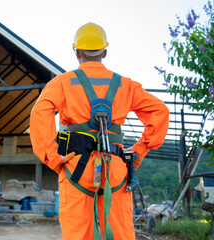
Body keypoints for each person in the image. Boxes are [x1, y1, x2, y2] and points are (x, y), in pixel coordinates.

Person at [29, 22, 169, 240]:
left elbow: (40, 112)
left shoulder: (62, 83)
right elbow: (160, 111)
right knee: (119, 233)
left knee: (78, 233)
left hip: (75, 168)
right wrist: (139, 151)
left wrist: (53, 157)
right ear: (105, 52)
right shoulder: (126, 85)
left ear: (77, 52)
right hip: (116, 170)